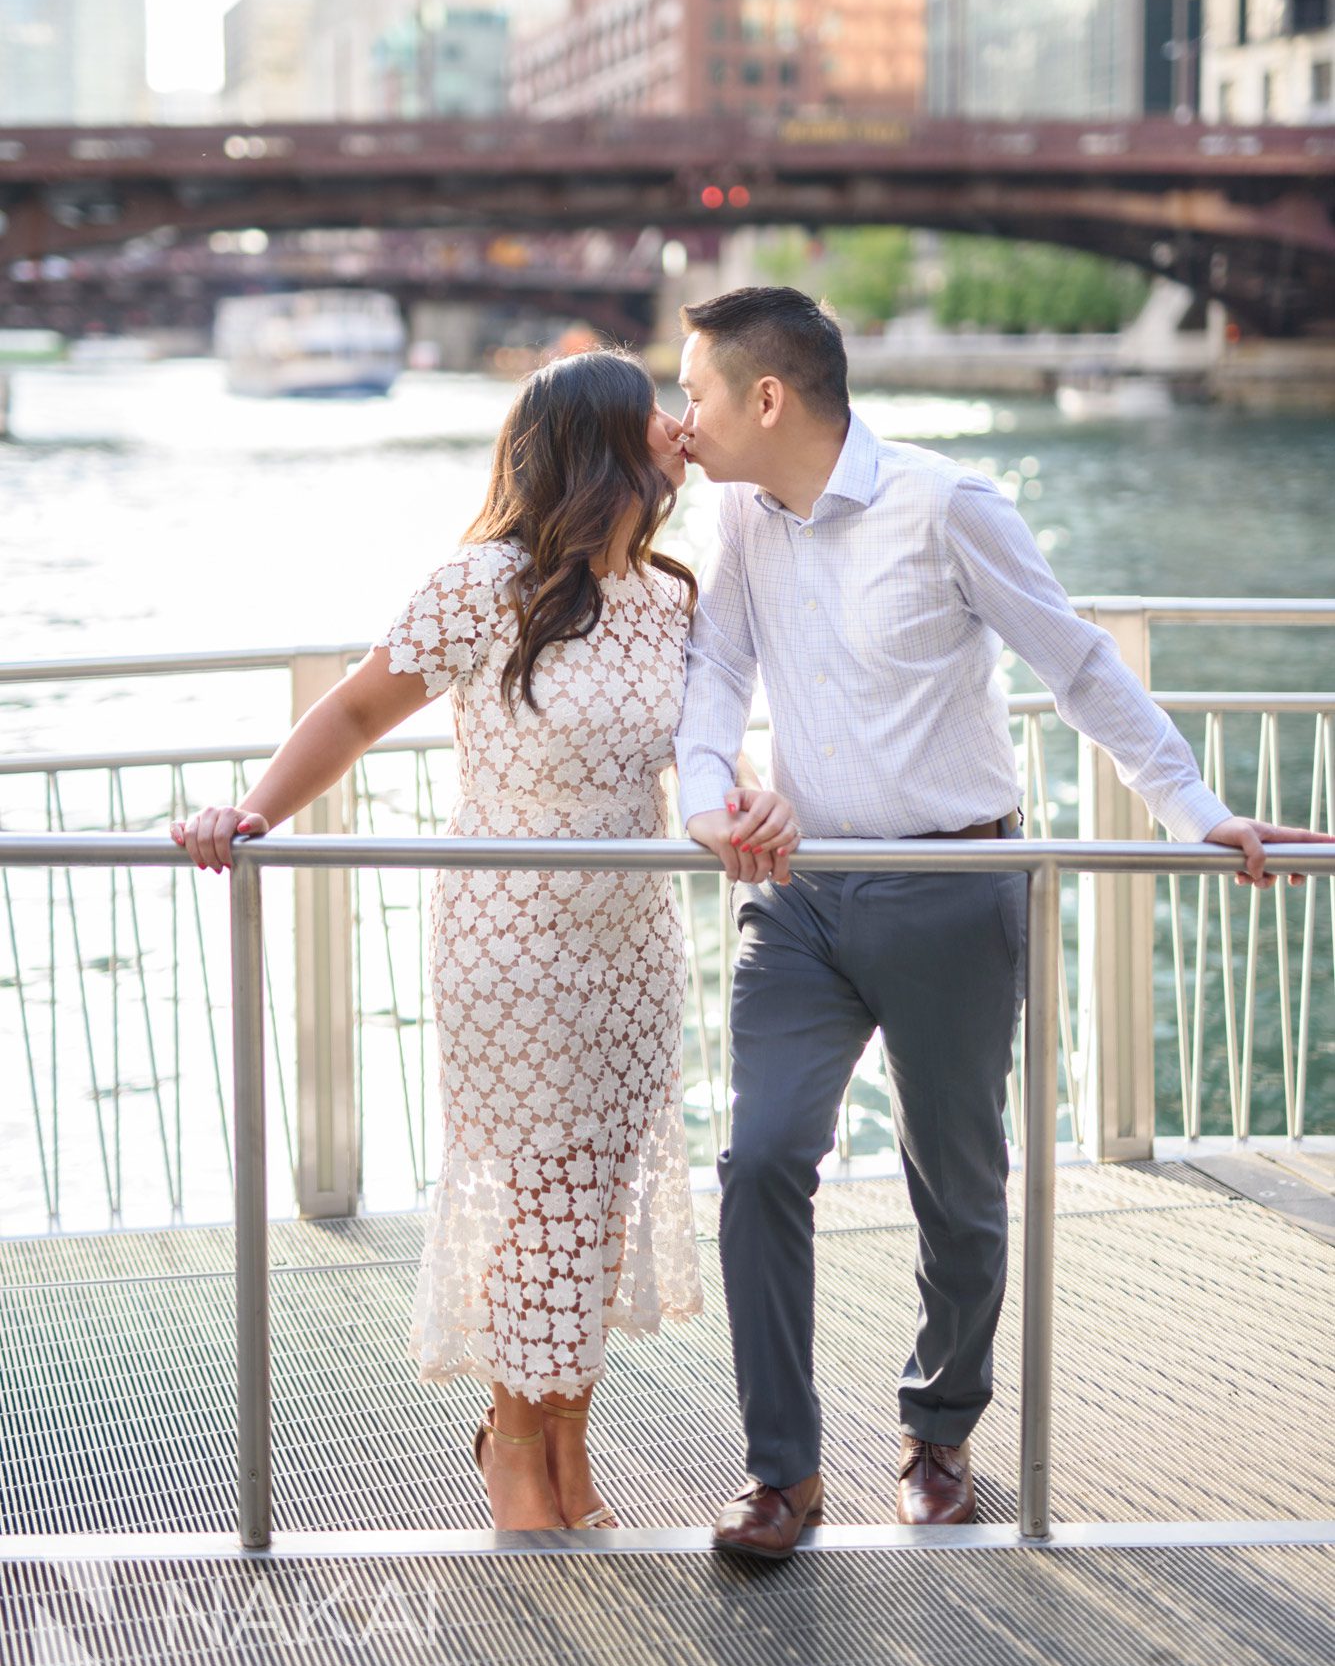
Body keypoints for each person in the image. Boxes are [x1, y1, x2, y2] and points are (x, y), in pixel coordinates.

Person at [672, 284, 1332, 1560]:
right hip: (799, 891)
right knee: (759, 1159)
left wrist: (1194, 807)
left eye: (694, 391)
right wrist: (708, 800)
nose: (679, 415)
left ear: (768, 397)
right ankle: (782, 1472)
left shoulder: (947, 503)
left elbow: (1074, 661)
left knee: (960, 1188)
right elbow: (714, 673)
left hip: (955, 890)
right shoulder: (738, 513)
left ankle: (937, 1429)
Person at [171, 349, 797, 1532]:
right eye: (652, 411)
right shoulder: (483, 585)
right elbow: (355, 707)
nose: (676, 425)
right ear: (597, 443)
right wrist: (253, 812)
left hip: (630, 953)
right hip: (511, 948)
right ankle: (517, 1444)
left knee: (596, 1198)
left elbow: (709, 755)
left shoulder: (672, 596)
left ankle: (566, 1440)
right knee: (532, 1196)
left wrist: (749, 803)